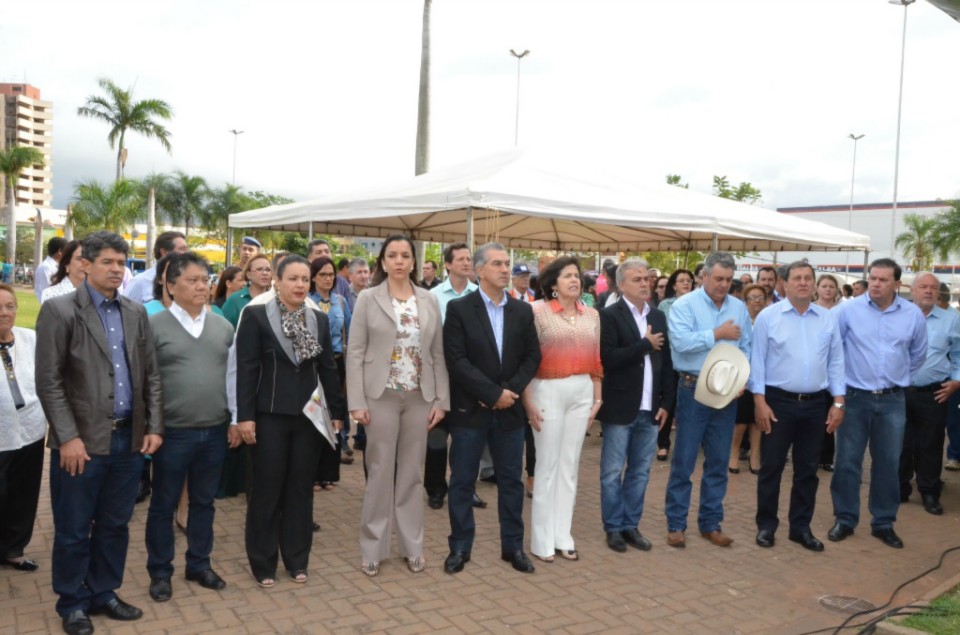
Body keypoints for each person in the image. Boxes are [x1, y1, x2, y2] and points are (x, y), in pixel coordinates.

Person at [35, 231, 164, 635]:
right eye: (108, 261)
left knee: (114, 524)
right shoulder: (59, 312)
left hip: (128, 440)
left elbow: (152, 376)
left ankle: (104, 592)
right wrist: (68, 437)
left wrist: (154, 427)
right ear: (85, 264)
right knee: (74, 529)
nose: (116, 269)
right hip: (81, 444)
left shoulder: (134, 311)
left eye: (122, 263)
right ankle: (72, 602)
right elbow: (49, 382)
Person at [235, 255, 345, 587]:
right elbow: (246, 369)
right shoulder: (255, 316)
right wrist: (244, 416)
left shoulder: (319, 320)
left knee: (300, 490)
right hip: (268, 417)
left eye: (304, 280)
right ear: (277, 282)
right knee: (267, 490)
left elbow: (327, 368)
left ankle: (297, 560)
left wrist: (337, 413)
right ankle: (263, 563)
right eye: (293, 279)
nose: (300, 285)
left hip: (308, 419)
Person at [346, 236, 449, 576]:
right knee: (379, 473)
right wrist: (356, 402)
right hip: (381, 396)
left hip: (420, 396)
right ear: (383, 261)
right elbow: (356, 351)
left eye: (406, 255)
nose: (400, 261)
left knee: (411, 474)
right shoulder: (367, 298)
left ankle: (413, 546)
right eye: (393, 255)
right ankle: (373, 546)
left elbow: (437, 353)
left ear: (414, 261)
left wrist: (441, 401)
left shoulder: (429, 299)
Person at [442, 242, 542, 575]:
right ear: (479, 270)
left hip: (510, 411)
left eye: (506, 264)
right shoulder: (459, 309)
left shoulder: (522, 311)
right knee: (462, 481)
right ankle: (459, 546)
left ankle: (513, 547)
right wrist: (489, 392)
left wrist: (507, 393)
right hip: (471, 411)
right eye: (497, 264)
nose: (504, 269)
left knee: (511, 481)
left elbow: (532, 357)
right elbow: (456, 360)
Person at [145, 253, 235, 602]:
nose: (202, 286)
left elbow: (234, 379)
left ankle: (199, 563)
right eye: (193, 280)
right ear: (171, 286)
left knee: (203, 502)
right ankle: (160, 571)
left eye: (205, 279)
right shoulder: (154, 326)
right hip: (172, 433)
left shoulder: (224, 327)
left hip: (214, 430)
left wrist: (235, 419)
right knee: (163, 504)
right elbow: (145, 381)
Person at [828, 258, 926, 550]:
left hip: (893, 400)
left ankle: (883, 522)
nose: (876, 284)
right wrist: (839, 395)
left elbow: (918, 354)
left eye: (883, 280)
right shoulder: (848, 310)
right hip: (855, 398)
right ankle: (845, 518)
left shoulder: (912, 315)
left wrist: (898, 379)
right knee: (847, 461)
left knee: (887, 463)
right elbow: (834, 350)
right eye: (872, 278)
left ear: (897, 284)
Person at [749, 262, 846, 552]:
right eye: (797, 278)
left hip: (816, 404)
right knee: (772, 468)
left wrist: (838, 401)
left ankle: (800, 528)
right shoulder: (769, 317)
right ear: (785, 284)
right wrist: (759, 402)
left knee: (807, 470)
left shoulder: (827, 319)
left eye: (808, 278)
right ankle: (766, 526)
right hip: (778, 402)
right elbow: (757, 361)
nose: (803, 283)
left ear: (815, 285)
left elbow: (837, 362)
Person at [664, 252, 751, 549]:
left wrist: (742, 379)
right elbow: (680, 343)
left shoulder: (739, 308)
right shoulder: (684, 305)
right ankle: (676, 524)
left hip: (728, 392)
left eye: (728, 280)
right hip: (692, 389)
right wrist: (717, 333)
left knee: (717, 460)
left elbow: (747, 346)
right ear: (704, 276)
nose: (723, 285)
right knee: (685, 459)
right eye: (718, 279)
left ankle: (711, 523)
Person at [522, 256, 602, 563]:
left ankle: (563, 536)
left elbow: (596, 360)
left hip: (582, 391)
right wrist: (528, 400)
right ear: (552, 284)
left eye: (577, 276)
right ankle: (542, 541)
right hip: (546, 390)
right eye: (567, 276)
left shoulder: (592, 315)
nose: (574, 280)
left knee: (569, 466)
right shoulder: (536, 312)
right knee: (547, 466)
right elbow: (527, 360)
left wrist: (597, 400)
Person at [596, 261, 674, 554]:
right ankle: (613, 528)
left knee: (640, 471)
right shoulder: (609, 316)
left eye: (647, 278)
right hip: (619, 407)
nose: (645, 283)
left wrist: (667, 402)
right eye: (637, 279)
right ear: (621, 285)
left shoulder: (657, 316)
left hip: (651, 408)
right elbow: (607, 359)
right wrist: (644, 345)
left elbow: (666, 362)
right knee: (612, 471)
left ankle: (631, 525)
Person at [898, 272, 960, 516]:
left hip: (934, 393)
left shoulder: (951, 319)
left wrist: (956, 382)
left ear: (939, 293)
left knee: (931, 444)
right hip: (898, 392)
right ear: (912, 290)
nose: (928, 291)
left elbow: (958, 354)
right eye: (923, 286)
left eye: (933, 287)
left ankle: (929, 491)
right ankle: (900, 488)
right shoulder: (897, 316)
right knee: (899, 443)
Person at [425, 243, 479, 510]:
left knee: (466, 440)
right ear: (447, 264)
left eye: (469, 258)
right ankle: (435, 488)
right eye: (460, 259)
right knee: (436, 439)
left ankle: (466, 488)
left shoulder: (479, 295)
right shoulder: (432, 296)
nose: (466, 263)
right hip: (438, 375)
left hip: (468, 378)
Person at [0, 283, 45, 573]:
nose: (5, 313)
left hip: (30, 430)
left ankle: (14, 549)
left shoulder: (30, 339)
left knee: (23, 492)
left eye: (10, 306)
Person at [308, 256, 351, 476]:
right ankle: (312, 471)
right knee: (314, 414)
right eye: (322, 274)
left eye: (331, 274)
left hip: (336, 363)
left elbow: (350, 333)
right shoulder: (306, 300)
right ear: (313, 277)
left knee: (335, 411)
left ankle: (327, 472)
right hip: (312, 365)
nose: (327, 278)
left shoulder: (340, 301)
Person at [653, 268, 694, 461]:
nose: (686, 283)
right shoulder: (665, 305)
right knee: (668, 400)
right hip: (670, 359)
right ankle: (663, 443)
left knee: (687, 405)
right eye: (682, 280)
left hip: (690, 360)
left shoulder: (698, 304)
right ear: (674, 285)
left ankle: (686, 444)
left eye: (689, 280)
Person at [728, 283, 767, 475]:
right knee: (741, 420)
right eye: (752, 297)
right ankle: (734, 454)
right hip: (742, 375)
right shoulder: (740, 320)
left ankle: (754, 456)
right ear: (746, 301)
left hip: (763, 376)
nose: (757, 301)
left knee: (757, 420)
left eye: (760, 297)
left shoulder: (770, 319)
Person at [122, 231, 188, 304]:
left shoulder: (190, 280)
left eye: (186, 249)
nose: (187, 254)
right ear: (164, 252)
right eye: (182, 249)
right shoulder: (140, 281)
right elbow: (123, 310)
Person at [221, 254, 273, 328]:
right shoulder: (235, 300)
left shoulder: (275, 299)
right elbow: (223, 330)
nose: (265, 273)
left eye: (268, 270)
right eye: (259, 269)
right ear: (248, 275)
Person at [34, 236, 66, 301]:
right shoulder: (45, 267)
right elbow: (46, 290)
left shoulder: (59, 266)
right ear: (60, 251)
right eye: (67, 251)